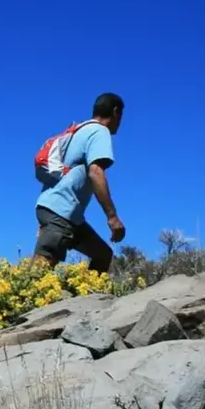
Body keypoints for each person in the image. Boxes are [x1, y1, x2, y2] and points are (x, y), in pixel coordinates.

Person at [32, 92, 126, 274]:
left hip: (65, 214)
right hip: (60, 212)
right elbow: (96, 172)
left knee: (102, 254)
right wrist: (112, 217)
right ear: (115, 112)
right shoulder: (99, 131)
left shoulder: (80, 130)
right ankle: (20, 299)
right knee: (40, 269)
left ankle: (90, 298)